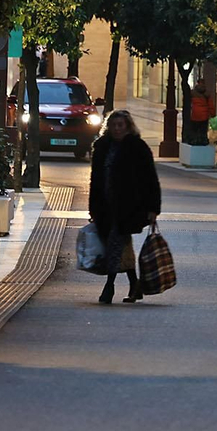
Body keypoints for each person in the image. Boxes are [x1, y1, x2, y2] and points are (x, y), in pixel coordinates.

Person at [88, 109, 161, 304]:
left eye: (121, 125)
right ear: (108, 127)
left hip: (129, 206)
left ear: (128, 127)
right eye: (114, 125)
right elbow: (95, 180)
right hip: (105, 206)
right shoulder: (102, 147)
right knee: (121, 245)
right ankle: (134, 284)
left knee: (115, 242)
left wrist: (153, 208)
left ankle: (109, 287)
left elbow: (150, 179)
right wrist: (93, 207)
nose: (117, 129)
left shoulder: (138, 147)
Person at [186, 78, 215, 147]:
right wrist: (212, 114)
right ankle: (203, 141)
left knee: (195, 130)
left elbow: (188, 103)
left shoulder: (192, 93)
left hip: (195, 114)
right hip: (204, 115)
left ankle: (194, 140)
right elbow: (210, 105)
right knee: (203, 130)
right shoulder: (207, 93)